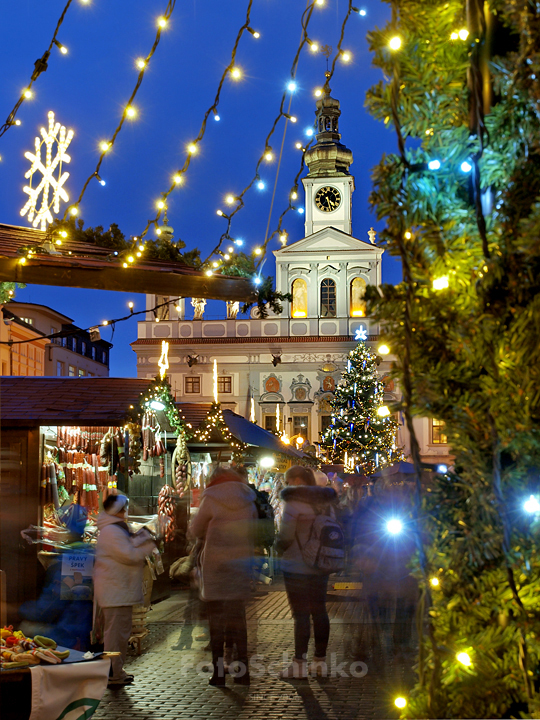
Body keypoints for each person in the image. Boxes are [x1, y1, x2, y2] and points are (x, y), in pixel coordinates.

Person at [188, 467, 257, 686]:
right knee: (238, 618)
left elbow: (196, 529)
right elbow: (254, 528)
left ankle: (218, 673)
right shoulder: (248, 498)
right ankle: (242, 671)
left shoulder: (211, 497)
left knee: (216, 619)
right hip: (240, 564)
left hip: (216, 566)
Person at [276, 465, 338, 678]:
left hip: (296, 566)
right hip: (320, 565)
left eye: (288, 481)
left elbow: (285, 536)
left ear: (297, 480)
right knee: (320, 612)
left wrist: (276, 548)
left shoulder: (293, 504)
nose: (287, 485)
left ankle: (299, 664)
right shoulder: (325, 504)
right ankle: (320, 661)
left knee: (301, 615)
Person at [94, 494, 156, 687]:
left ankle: (116, 670)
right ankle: (112, 671)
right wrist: (146, 545)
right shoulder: (112, 531)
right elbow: (128, 555)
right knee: (115, 634)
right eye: (124, 509)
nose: (126, 512)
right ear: (117, 511)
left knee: (119, 632)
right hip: (115, 592)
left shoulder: (114, 529)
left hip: (117, 591)